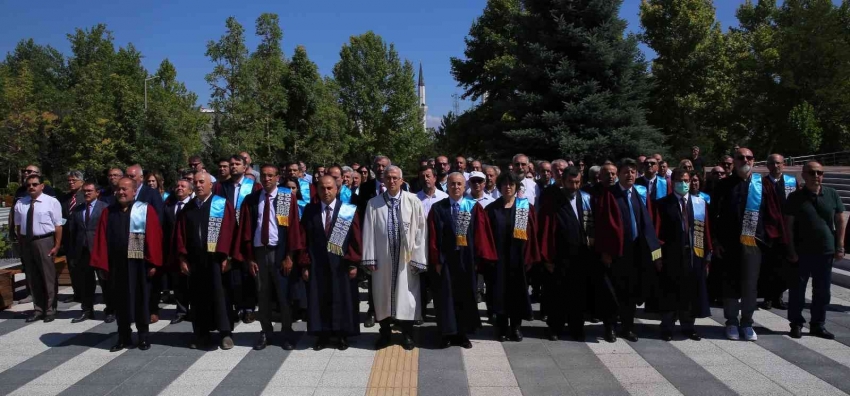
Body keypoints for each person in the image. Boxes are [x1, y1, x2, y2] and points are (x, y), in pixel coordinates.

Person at [710, 148, 785, 341]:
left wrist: (767, 239)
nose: (745, 160)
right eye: (740, 157)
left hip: (754, 244)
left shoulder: (763, 185)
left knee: (750, 286)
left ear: (754, 160)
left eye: (749, 157)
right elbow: (713, 216)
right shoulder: (724, 185)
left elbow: (772, 215)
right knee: (730, 285)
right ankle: (732, 322)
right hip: (729, 244)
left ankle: (747, 322)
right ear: (734, 161)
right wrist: (716, 241)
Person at [90, 177, 163, 351]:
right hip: (117, 265)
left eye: (125, 189)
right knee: (120, 302)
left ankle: (143, 336)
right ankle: (124, 336)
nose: (121, 192)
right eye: (118, 189)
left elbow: (154, 237)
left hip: (138, 264)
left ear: (134, 191)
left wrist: (153, 262)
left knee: (141, 300)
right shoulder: (109, 212)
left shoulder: (144, 210)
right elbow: (101, 239)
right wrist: (102, 265)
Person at [594, 158, 662, 343]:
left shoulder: (638, 194)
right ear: (619, 175)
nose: (630, 175)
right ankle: (610, 328)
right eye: (625, 171)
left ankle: (627, 327)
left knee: (630, 293)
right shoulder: (609, 195)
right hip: (615, 253)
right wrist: (605, 252)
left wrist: (655, 252)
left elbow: (646, 224)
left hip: (635, 252)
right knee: (612, 293)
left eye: (633, 171)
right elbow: (601, 226)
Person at [428, 172, 498, 348]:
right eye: (452, 184)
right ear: (447, 186)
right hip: (446, 259)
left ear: (464, 185)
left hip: (466, 259)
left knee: (465, 295)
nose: (456, 187)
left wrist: (478, 260)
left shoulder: (473, 207)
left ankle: (462, 334)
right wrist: (436, 260)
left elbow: (480, 236)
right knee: (445, 296)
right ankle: (446, 333)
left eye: (459, 184)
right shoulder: (438, 208)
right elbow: (433, 236)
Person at [362, 165, 428, 350]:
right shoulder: (374, 203)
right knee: (382, 295)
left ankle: (407, 334)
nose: (391, 181)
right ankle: (385, 334)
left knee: (406, 297)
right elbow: (368, 232)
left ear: (401, 180)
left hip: (406, 260)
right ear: (383, 180)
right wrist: (370, 258)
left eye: (395, 178)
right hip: (382, 259)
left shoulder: (413, 201)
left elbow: (421, 231)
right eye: (388, 178)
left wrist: (418, 257)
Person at [239, 164, 304, 351]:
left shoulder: (286, 197)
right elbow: (245, 231)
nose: (266, 179)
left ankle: (286, 332)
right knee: (263, 294)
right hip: (259, 252)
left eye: (270, 176)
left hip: (280, 252)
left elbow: (293, 229)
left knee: (284, 295)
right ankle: (266, 332)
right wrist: (249, 258)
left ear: (277, 177)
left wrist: (290, 256)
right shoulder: (251, 200)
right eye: (264, 176)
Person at [175, 171, 240, 350]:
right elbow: (180, 235)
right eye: (195, 182)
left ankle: (225, 333)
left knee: (221, 296)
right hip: (196, 261)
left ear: (211, 184)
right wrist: (182, 258)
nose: (198, 185)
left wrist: (227, 256)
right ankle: (201, 333)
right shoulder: (188, 208)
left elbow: (230, 231)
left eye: (202, 182)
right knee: (198, 298)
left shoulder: (221, 204)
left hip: (217, 260)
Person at [538, 167, 604, 341]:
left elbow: (593, 225)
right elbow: (546, 230)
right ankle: (555, 327)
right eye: (570, 182)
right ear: (563, 181)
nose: (574, 186)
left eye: (577, 182)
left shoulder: (586, 198)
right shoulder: (553, 200)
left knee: (579, 294)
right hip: (559, 256)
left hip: (581, 256)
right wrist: (547, 257)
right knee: (557, 293)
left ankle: (577, 327)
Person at [301, 175, 362, 351]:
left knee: (342, 298)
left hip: (340, 264)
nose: (326, 192)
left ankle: (342, 334)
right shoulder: (310, 211)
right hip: (318, 264)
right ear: (317, 189)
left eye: (329, 188)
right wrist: (305, 264)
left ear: (337, 189)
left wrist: (353, 263)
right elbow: (304, 239)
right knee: (319, 299)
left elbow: (355, 239)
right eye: (322, 188)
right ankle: (322, 334)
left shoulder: (348, 210)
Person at [649, 169, 711, 341]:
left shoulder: (700, 203)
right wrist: (657, 257)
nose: (683, 183)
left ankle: (688, 326)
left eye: (686, 180)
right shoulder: (662, 204)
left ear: (690, 181)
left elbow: (706, 232)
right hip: (670, 255)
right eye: (679, 180)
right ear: (672, 182)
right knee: (670, 291)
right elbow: (656, 233)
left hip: (694, 253)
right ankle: (667, 327)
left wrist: (707, 257)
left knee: (691, 291)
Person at [787, 162, 844, 339]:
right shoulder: (795, 197)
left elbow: (840, 220)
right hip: (801, 251)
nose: (816, 176)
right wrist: (790, 249)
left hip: (825, 251)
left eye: (820, 172)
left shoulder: (832, 194)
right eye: (812, 172)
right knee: (797, 290)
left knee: (823, 291)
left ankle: (818, 325)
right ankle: (796, 324)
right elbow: (788, 226)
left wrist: (840, 246)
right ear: (804, 175)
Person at [485, 171, 540, 342]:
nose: (508, 187)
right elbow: (486, 236)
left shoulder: (526, 207)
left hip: (519, 258)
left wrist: (530, 257)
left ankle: (516, 327)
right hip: (499, 259)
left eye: (511, 184)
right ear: (499, 187)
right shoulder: (492, 209)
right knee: (499, 292)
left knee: (517, 293)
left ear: (516, 187)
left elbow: (534, 234)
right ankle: (501, 328)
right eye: (504, 184)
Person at [216, 154, 262, 323]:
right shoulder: (220, 187)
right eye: (231, 164)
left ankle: (249, 308)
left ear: (245, 167)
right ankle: (234, 308)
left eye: (237, 164)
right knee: (229, 272)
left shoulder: (254, 186)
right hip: (227, 235)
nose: (233, 166)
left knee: (247, 272)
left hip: (246, 234)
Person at [15, 174, 64, 323]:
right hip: (27, 242)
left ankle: (50, 309)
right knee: (32, 277)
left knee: (47, 276)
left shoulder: (51, 202)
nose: (31, 187)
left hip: (44, 241)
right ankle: (38, 309)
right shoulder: (21, 203)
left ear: (42, 186)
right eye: (29, 184)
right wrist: (21, 243)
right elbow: (18, 226)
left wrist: (56, 245)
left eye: (35, 184)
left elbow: (58, 225)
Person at [67, 182, 110, 323]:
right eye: (84, 191)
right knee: (85, 283)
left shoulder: (105, 208)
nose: (86, 193)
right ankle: (87, 310)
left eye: (90, 191)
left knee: (105, 282)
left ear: (97, 193)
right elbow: (72, 232)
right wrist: (73, 252)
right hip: (83, 251)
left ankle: (111, 310)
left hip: (99, 251)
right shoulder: (78, 210)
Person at [759, 154, 797, 310]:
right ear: (767, 166)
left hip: (786, 231)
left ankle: (778, 296)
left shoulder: (791, 182)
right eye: (772, 163)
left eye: (778, 163)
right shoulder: (760, 183)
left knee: (784, 267)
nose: (776, 166)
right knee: (768, 266)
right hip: (768, 231)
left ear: (784, 165)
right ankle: (767, 297)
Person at [162, 179, 193, 325]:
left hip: (191, 251)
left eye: (183, 186)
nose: (179, 188)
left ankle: (195, 310)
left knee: (192, 283)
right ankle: (181, 310)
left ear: (190, 190)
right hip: (174, 252)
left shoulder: (194, 206)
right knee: (178, 283)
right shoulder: (169, 207)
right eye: (177, 186)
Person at [60, 170, 86, 303]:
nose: (70, 183)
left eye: (73, 181)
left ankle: (87, 294)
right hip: (69, 239)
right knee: (72, 267)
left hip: (82, 238)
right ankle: (77, 293)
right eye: (69, 180)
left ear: (81, 182)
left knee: (84, 268)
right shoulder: (65, 199)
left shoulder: (85, 196)